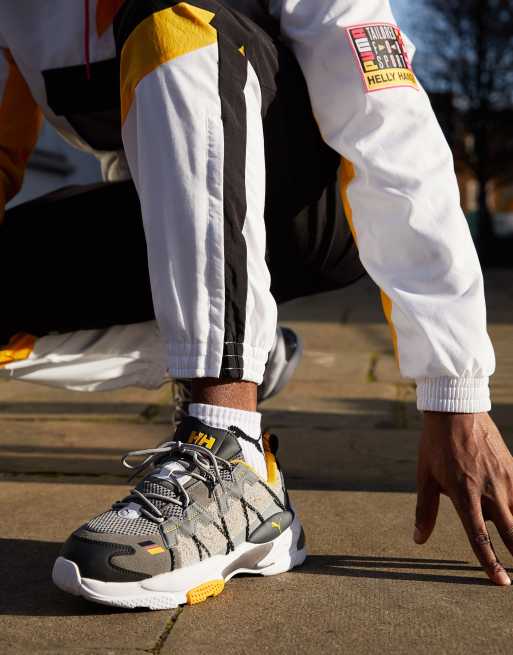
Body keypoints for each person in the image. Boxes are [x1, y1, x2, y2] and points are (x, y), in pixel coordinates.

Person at [0, 0, 511, 610]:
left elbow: (388, 124)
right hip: (173, 223)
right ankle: (250, 349)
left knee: (170, 16)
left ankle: (230, 451)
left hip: (308, 212)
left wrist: (454, 386)